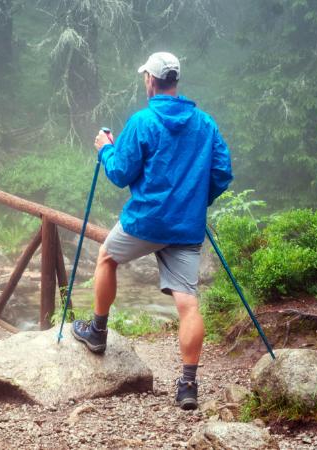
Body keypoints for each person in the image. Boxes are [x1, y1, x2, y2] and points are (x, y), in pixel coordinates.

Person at [71, 52, 233, 411]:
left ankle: (97, 331)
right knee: (188, 303)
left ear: (150, 80)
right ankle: (188, 385)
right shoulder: (204, 123)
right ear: (176, 81)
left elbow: (120, 174)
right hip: (186, 227)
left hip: (146, 222)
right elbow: (222, 172)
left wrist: (105, 149)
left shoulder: (143, 121)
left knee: (107, 256)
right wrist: (194, 200)